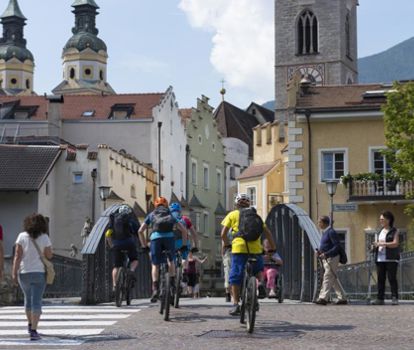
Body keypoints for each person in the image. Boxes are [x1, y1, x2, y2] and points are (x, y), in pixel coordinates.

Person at [221, 193, 276, 316]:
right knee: (258, 270)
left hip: (239, 248)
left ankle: (235, 304)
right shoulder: (256, 216)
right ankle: (261, 283)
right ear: (249, 204)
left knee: (235, 276)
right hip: (255, 249)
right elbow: (268, 233)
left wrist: (226, 244)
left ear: (236, 204)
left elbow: (223, 234)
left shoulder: (232, 214)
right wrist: (273, 248)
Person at [138, 196, 188, 303]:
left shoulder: (152, 215)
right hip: (169, 239)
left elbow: (140, 231)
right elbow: (184, 230)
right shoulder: (169, 214)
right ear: (166, 205)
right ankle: (173, 283)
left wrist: (143, 246)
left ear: (155, 205)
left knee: (155, 265)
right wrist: (184, 245)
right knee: (171, 260)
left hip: (155, 240)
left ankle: (155, 289)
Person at [11, 214, 53, 341]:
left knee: (27, 300)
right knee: (37, 301)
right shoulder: (45, 237)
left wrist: (14, 272)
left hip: (24, 273)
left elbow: (17, 256)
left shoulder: (21, 236)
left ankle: (30, 324)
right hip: (39, 272)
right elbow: (49, 255)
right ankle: (34, 331)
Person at [105, 205, 140, 293]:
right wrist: (141, 245)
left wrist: (111, 245)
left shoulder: (113, 221)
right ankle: (131, 271)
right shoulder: (130, 220)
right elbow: (139, 233)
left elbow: (108, 234)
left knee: (116, 266)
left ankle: (114, 286)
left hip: (117, 244)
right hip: (129, 243)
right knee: (134, 260)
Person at [315, 216, 347, 305]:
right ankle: (342, 298)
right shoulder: (325, 232)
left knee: (328, 277)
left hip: (332, 258)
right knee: (333, 278)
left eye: (319, 222)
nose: (318, 224)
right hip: (326, 258)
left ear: (324, 223)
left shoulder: (331, 232)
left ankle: (323, 298)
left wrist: (326, 254)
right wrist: (321, 252)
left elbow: (337, 246)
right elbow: (327, 245)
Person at [371, 211, 400, 305]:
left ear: (388, 220)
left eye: (382, 219)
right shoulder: (379, 231)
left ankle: (394, 297)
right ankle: (380, 298)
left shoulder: (394, 231)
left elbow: (395, 244)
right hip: (380, 258)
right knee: (380, 279)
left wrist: (383, 244)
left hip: (391, 258)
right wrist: (373, 246)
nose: (380, 221)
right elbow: (376, 243)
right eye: (380, 219)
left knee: (392, 278)